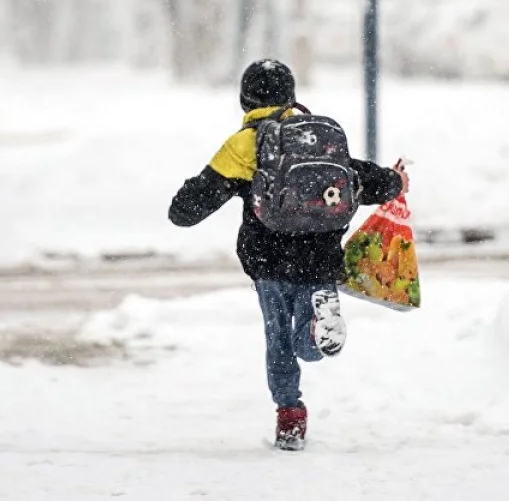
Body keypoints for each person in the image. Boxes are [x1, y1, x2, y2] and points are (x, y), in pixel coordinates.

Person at [168, 59, 408, 450]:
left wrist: (192, 192)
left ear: (245, 99)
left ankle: (290, 417)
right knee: (306, 343)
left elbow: (186, 212)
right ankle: (317, 326)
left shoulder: (245, 143)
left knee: (278, 340)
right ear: (292, 95)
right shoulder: (321, 136)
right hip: (322, 254)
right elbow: (361, 176)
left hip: (270, 259)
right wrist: (396, 180)